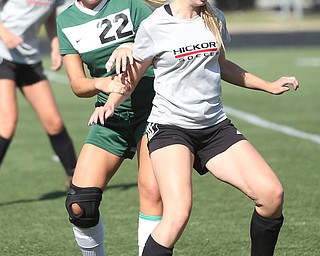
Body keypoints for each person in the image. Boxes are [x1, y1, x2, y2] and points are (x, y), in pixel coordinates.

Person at [88, 0, 299, 255]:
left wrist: (268, 84)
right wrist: (110, 103)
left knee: (271, 195)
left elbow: (222, 65)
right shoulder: (154, 25)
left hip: (215, 128)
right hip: (170, 129)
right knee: (177, 214)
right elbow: (132, 77)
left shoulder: (214, 18)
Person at [56, 0, 163, 255]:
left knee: (152, 190)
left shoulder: (130, 4)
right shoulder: (67, 20)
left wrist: (131, 45)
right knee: (80, 205)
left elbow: (163, 39)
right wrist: (100, 84)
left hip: (155, 108)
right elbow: (78, 84)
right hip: (109, 112)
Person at [0, 0, 77, 188]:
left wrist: (55, 46)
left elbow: (50, 19)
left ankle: (76, 179)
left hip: (29, 60)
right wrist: (5, 34)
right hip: (3, 55)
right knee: (7, 123)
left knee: (54, 123)